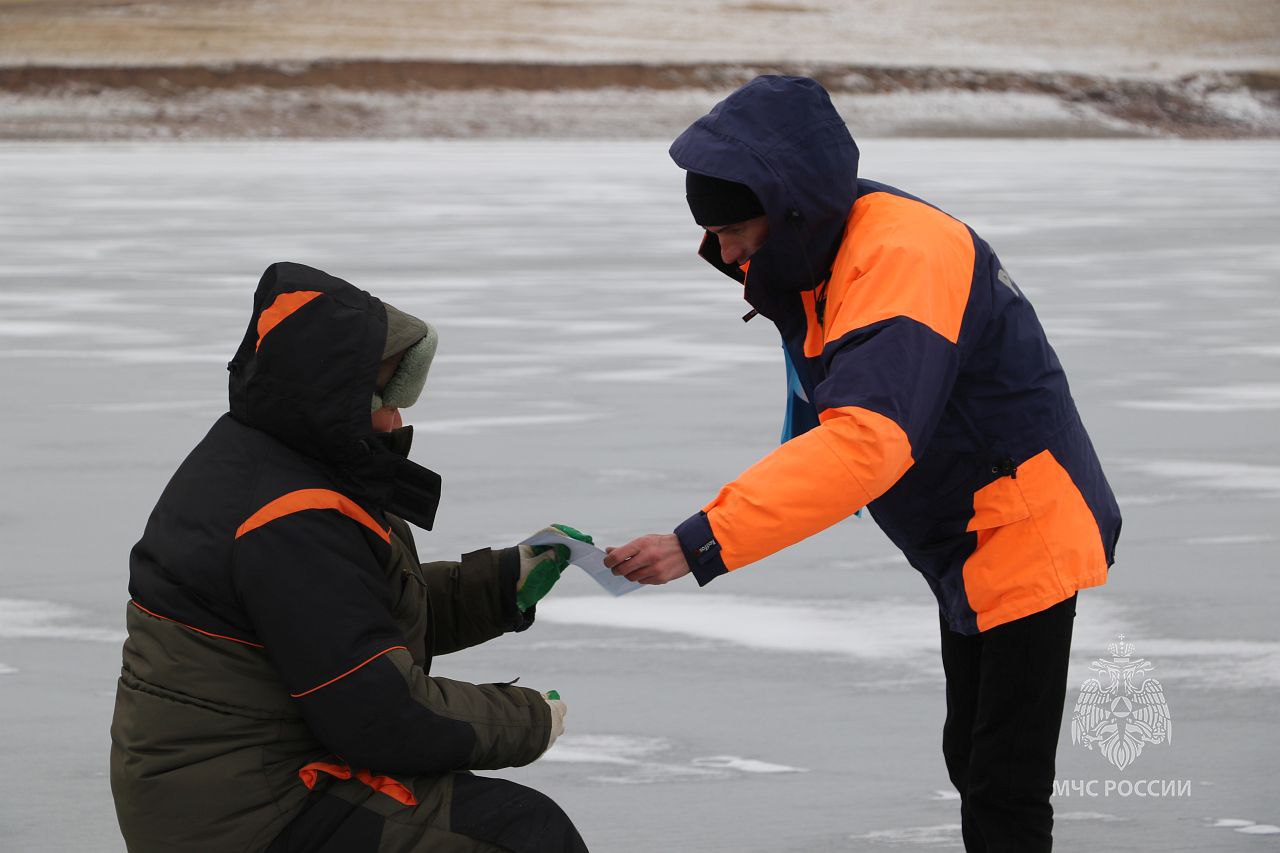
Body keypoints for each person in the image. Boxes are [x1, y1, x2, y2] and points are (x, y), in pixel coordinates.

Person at [603, 76, 1121, 852]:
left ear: (790, 205)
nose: (727, 252)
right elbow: (823, 408)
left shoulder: (903, 255)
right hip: (968, 536)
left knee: (1003, 786)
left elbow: (867, 438)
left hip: (1026, 526)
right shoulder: (820, 251)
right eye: (714, 234)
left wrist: (699, 539)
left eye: (736, 229)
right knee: (972, 757)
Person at [110, 261, 591, 852]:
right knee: (517, 835)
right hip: (247, 817)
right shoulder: (288, 515)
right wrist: (530, 720)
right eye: (385, 392)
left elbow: (349, 623)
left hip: (252, 783)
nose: (398, 415)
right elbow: (382, 717)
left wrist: (498, 585)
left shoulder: (274, 462)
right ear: (328, 393)